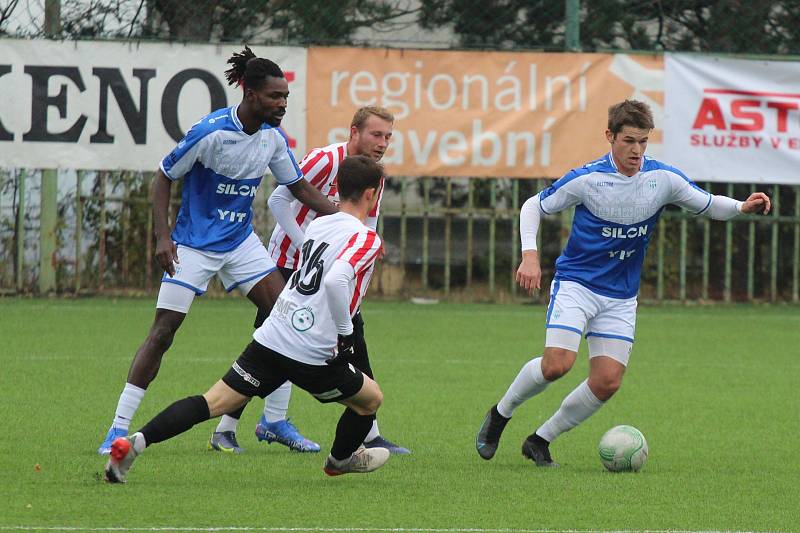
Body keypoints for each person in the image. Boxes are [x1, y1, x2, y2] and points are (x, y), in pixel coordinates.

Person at [475, 100, 771, 467]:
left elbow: (708, 204)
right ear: (610, 137)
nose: (636, 150)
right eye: (629, 140)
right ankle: (501, 414)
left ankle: (540, 440)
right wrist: (530, 255)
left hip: (620, 297)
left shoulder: (662, 179)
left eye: (643, 142)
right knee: (557, 365)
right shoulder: (588, 178)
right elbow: (533, 206)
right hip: (577, 285)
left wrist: (742, 207)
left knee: (607, 382)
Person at [97, 46, 335, 455]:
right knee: (163, 332)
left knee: (286, 318)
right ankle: (116, 429)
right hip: (192, 244)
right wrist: (162, 237)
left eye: (286, 98)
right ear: (251, 94)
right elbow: (164, 176)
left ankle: (272, 421)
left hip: (241, 241)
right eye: (276, 97)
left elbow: (299, 188)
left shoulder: (272, 139)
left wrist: (345, 220)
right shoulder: (210, 133)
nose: (282, 104)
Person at [104, 155, 391, 483]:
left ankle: (134, 443)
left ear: (337, 187)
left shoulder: (320, 224)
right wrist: (346, 333)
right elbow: (336, 280)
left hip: (273, 334)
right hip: (313, 351)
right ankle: (338, 461)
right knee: (370, 400)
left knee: (210, 402)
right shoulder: (366, 238)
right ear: (372, 193)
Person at [210, 106, 411, 455]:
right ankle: (226, 428)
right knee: (271, 345)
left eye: (388, 137)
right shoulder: (325, 159)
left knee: (355, 340)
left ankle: (368, 433)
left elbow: (368, 226)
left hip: (332, 268)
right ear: (354, 133)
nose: (383, 143)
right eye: (376, 135)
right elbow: (278, 200)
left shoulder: (373, 174)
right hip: (292, 263)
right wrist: (309, 249)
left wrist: (357, 270)